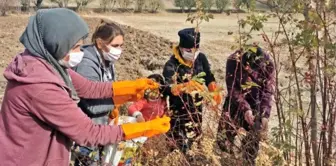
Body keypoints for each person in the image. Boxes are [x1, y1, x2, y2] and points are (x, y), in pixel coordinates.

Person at [0, 8, 170, 166]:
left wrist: (133, 88)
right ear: (55, 44)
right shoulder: (40, 85)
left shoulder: (47, 64)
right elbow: (89, 133)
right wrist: (145, 128)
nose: (80, 53)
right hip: (27, 159)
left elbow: (90, 88)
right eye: (75, 47)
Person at [71, 19, 125, 165]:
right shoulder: (86, 63)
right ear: (100, 43)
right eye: (115, 46)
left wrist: (113, 107)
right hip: (84, 129)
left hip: (99, 126)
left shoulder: (107, 61)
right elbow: (91, 106)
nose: (118, 50)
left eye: (121, 46)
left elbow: (108, 89)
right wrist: (118, 100)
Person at [162, 28, 222, 153]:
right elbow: (167, 87)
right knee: (179, 143)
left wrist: (214, 91)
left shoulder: (201, 58)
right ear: (181, 48)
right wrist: (184, 87)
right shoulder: (172, 64)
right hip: (179, 110)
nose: (193, 53)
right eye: (189, 50)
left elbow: (208, 76)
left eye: (195, 50)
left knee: (195, 139)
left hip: (196, 109)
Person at [216, 46, 275, 165]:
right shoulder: (233, 60)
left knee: (251, 149)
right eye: (246, 68)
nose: (248, 71)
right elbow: (232, 89)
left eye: (251, 70)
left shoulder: (268, 64)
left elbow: (268, 92)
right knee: (223, 140)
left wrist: (264, 114)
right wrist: (245, 109)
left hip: (256, 104)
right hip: (235, 103)